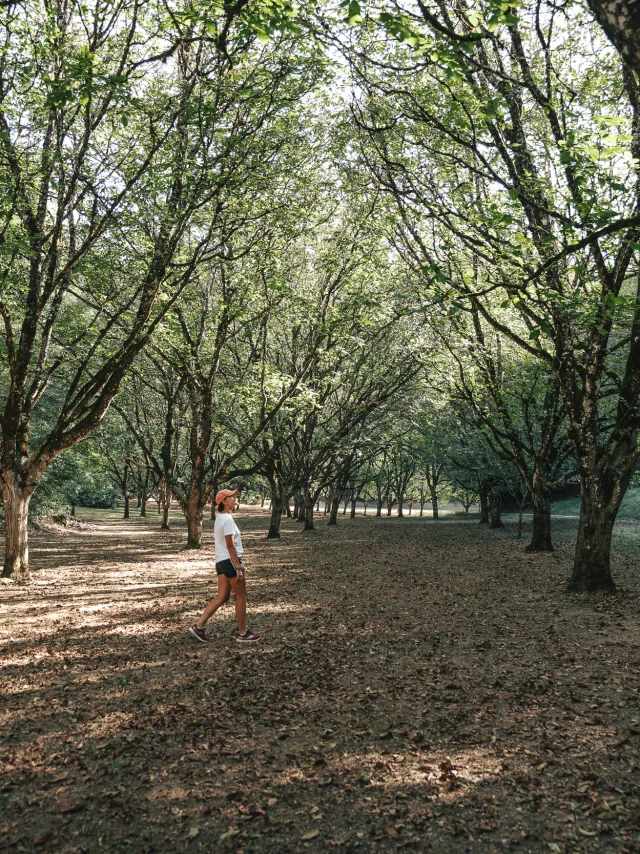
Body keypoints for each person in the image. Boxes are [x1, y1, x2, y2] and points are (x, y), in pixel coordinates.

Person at [189, 488, 261, 643]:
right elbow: (230, 545)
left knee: (222, 596)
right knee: (241, 597)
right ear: (223, 501)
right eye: (232, 497)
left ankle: (198, 626)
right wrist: (238, 566)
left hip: (221, 562)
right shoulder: (227, 520)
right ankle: (243, 633)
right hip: (230, 561)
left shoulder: (221, 518)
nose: (235, 499)